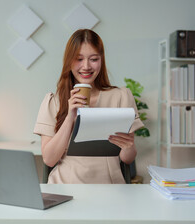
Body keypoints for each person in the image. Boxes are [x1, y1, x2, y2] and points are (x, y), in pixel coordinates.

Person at [33, 29, 144, 184]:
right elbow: (49, 160)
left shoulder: (121, 97)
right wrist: (71, 115)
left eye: (93, 59)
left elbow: (127, 158)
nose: (86, 66)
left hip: (110, 187)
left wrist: (128, 146)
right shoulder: (54, 100)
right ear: (68, 61)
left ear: (101, 60)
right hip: (65, 186)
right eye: (78, 59)